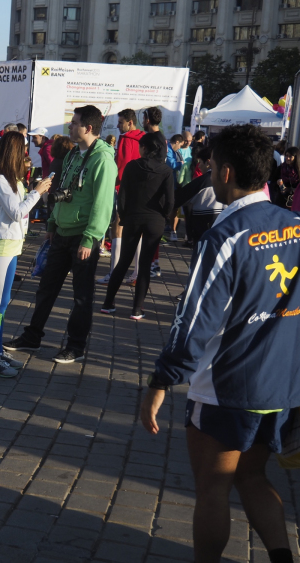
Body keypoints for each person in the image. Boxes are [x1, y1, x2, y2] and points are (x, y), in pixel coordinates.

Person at [141, 124, 297, 563]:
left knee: (212, 488)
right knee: (252, 476)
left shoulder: (223, 237)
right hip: (281, 385)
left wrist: (160, 382)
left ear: (225, 172)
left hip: (228, 386)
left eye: (209, 168)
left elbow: (192, 323)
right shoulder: (296, 226)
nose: (207, 175)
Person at [4, 105, 116, 363]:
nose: (70, 127)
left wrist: (90, 238)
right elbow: (62, 191)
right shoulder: (73, 155)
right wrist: (52, 225)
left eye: (74, 123)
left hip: (83, 238)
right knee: (46, 289)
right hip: (61, 233)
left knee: (81, 296)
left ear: (88, 128)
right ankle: (32, 337)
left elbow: (103, 205)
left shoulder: (102, 160)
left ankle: (75, 346)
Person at [0, 131, 53, 377]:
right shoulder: (0, 179)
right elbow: (17, 212)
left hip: (9, 248)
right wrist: (38, 191)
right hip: (0, 248)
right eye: (22, 149)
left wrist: (34, 189)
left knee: (2, 303)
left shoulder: (11, 179)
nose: (26, 154)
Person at [100, 133, 174, 320]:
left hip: (133, 217)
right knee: (144, 264)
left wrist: (123, 217)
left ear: (145, 148)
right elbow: (170, 200)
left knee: (124, 261)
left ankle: (108, 304)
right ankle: (137, 309)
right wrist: (164, 216)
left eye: (141, 146)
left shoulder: (132, 166)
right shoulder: (166, 170)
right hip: (155, 220)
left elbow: (122, 195)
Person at [98, 109, 146, 285]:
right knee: (137, 232)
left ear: (130, 123)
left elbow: (122, 167)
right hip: (142, 189)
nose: (118, 126)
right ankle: (137, 273)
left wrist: (113, 183)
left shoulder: (126, 138)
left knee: (116, 229)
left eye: (120, 123)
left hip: (125, 189)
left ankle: (114, 274)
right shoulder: (143, 138)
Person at [172, 146, 224, 242]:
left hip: (203, 230)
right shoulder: (228, 180)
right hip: (223, 230)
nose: (198, 165)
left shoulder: (202, 182)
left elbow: (177, 199)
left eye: (200, 162)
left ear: (208, 163)